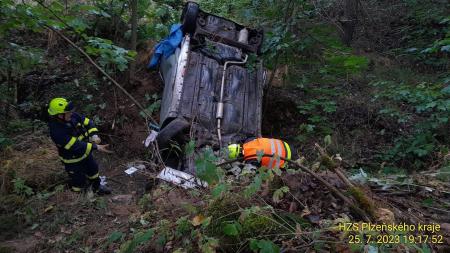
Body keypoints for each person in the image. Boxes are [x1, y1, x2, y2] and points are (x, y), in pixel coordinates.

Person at [47, 97, 112, 194]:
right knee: (78, 180)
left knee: (93, 170)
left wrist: (93, 135)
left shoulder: (72, 116)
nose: (71, 113)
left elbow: (88, 122)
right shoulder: (56, 130)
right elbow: (75, 145)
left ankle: (97, 188)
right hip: (72, 160)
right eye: (68, 112)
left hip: (85, 153)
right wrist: (96, 147)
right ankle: (80, 197)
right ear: (60, 115)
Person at [228, 138, 293, 169]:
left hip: (286, 159)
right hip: (284, 144)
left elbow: (251, 174)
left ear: (238, 157)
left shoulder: (251, 159)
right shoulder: (248, 141)